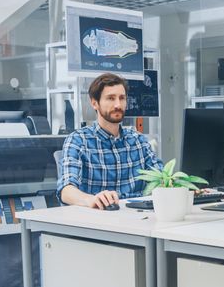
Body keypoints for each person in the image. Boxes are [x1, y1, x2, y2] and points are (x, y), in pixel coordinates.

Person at [57, 73, 162, 209]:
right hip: (97, 220)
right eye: (111, 98)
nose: (118, 104)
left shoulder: (138, 140)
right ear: (95, 103)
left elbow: (161, 178)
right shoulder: (78, 141)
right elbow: (66, 190)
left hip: (138, 218)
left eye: (122, 98)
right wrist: (91, 199)